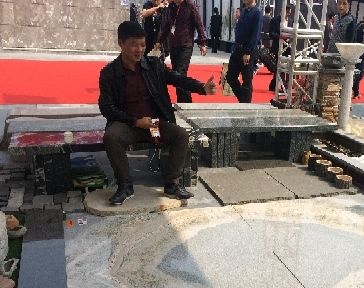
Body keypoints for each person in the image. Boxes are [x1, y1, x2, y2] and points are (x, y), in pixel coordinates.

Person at [98, 21, 216, 205]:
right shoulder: (109, 73)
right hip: (129, 125)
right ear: (121, 43)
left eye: (143, 45)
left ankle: (172, 184)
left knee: (180, 135)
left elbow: (178, 78)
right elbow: (106, 107)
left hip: (153, 126)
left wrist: (202, 87)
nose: (139, 50)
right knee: (111, 137)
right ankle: (125, 186)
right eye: (134, 45)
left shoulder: (154, 65)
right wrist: (135, 121)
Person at [159, 0, 207, 103]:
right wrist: (159, 41)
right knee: (176, 75)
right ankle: (182, 102)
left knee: (180, 72)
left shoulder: (189, 5)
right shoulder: (171, 6)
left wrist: (202, 42)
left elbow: (199, 24)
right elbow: (168, 26)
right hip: (174, 45)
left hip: (186, 45)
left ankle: (186, 103)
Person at [226, 0, 263, 103]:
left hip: (247, 50)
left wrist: (248, 52)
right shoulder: (243, 11)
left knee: (246, 80)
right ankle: (243, 100)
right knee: (230, 77)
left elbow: (255, 34)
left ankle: (246, 104)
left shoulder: (257, 13)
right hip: (237, 49)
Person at [268, 4, 292, 91]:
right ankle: (283, 86)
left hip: (288, 47)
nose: (288, 14)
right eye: (287, 12)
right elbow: (271, 33)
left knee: (286, 67)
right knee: (279, 67)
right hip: (277, 47)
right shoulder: (275, 20)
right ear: (282, 11)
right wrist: (280, 37)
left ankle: (274, 85)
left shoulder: (291, 21)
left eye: (289, 13)